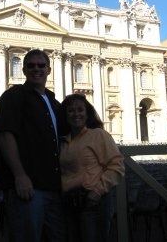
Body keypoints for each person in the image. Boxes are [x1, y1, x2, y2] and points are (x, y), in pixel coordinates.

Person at [0, 49, 66, 242]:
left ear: (49, 69)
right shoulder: (13, 96)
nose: (36, 69)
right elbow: (5, 134)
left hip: (54, 188)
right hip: (28, 188)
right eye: (31, 66)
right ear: (24, 70)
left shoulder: (53, 102)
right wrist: (19, 175)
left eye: (41, 65)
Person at [58, 94, 125, 242]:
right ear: (65, 115)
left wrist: (97, 192)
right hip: (69, 203)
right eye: (71, 111)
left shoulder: (98, 135)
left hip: (93, 201)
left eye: (80, 110)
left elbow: (117, 166)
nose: (76, 114)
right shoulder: (63, 141)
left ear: (87, 114)